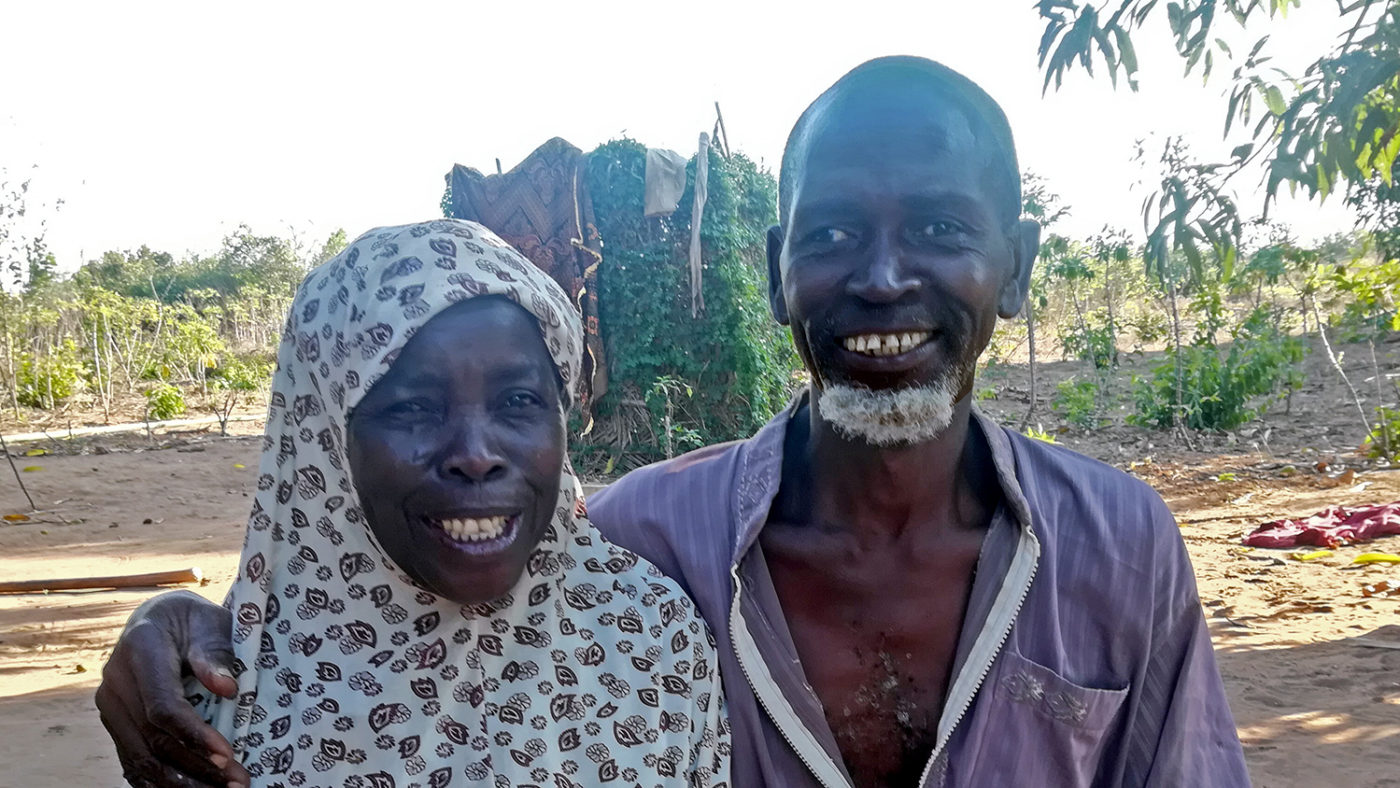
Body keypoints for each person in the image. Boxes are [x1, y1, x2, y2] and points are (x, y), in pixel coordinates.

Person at [98, 58, 1249, 787]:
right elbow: (409, 597)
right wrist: (183, 628)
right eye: (833, 234)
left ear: (1016, 268)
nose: (883, 279)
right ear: (773, 273)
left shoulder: (1119, 546)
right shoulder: (641, 547)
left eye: (940, 229)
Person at [96, 219, 730, 788]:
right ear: (326, 439)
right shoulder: (226, 691)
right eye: (410, 407)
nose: (475, 453)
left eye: (518, 401)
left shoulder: (649, 639)